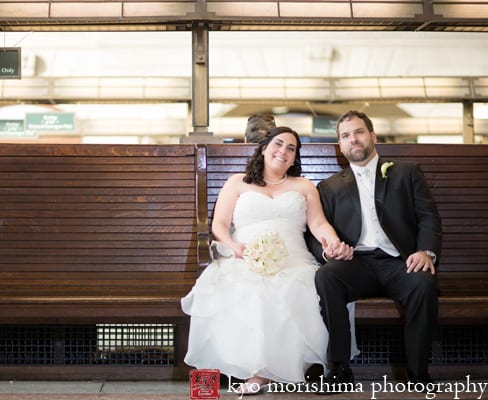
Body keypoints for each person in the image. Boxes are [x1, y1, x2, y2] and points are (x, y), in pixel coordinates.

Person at [181, 126, 357, 395]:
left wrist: (332, 243)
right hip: (245, 255)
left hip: (295, 259)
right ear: (263, 148)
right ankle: (261, 372)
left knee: (303, 286)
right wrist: (233, 246)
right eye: (278, 144)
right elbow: (219, 223)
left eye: (291, 148)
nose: (283, 151)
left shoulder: (304, 186)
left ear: (294, 157)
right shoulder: (237, 182)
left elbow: (319, 223)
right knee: (249, 289)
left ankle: (277, 370)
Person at [308, 110, 442, 387]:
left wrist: (424, 251)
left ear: (372, 136)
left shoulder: (405, 172)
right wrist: (329, 252)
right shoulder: (328, 187)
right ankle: (340, 368)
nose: (353, 139)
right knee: (327, 276)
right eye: (345, 136)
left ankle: (417, 374)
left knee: (423, 284)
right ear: (340, 146)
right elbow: (315, 232)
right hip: (356, 265)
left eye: (358, 132)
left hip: (400, 262)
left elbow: (428, 216)